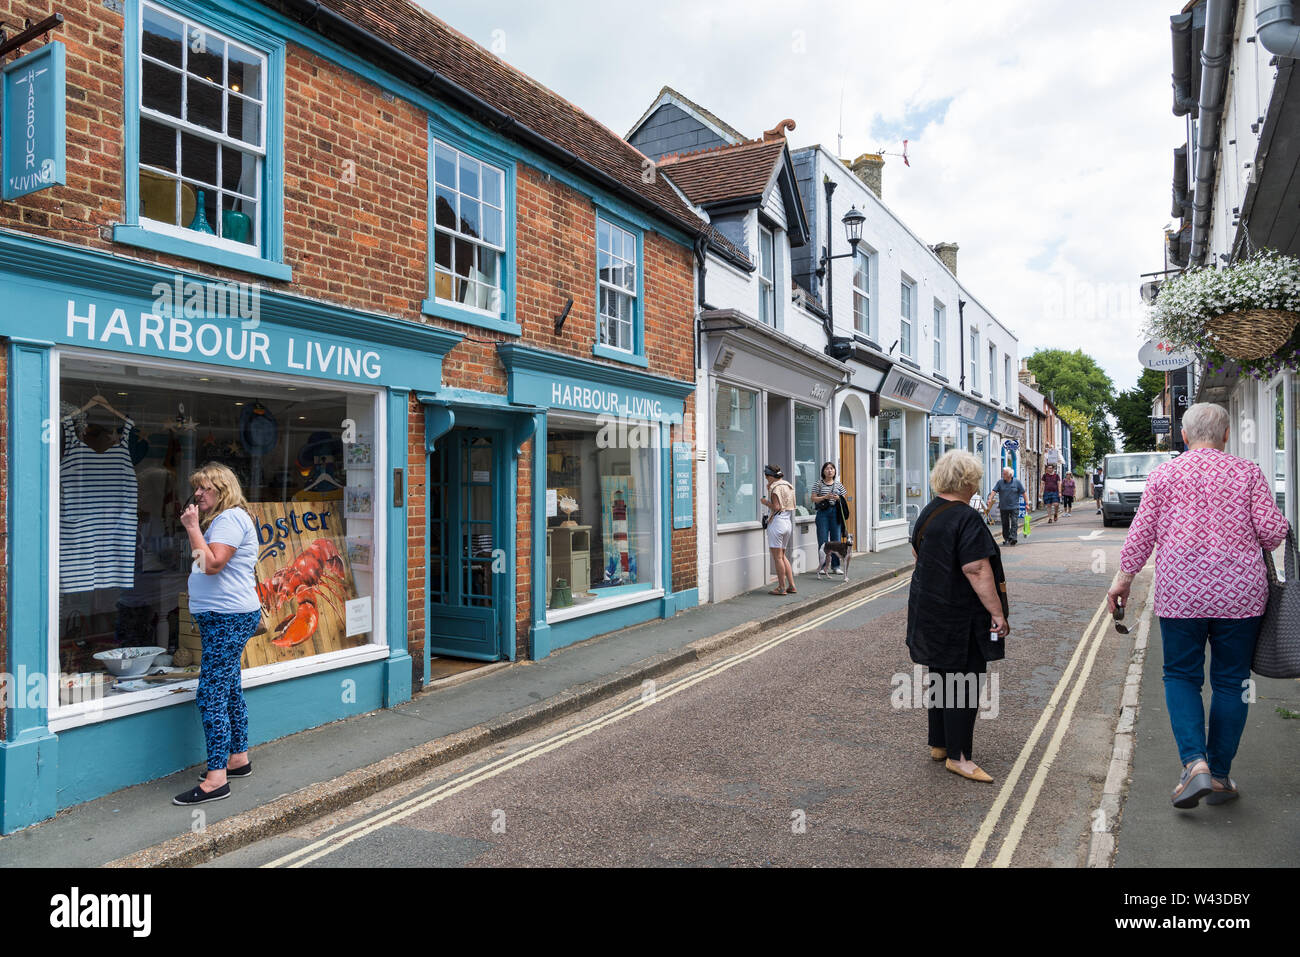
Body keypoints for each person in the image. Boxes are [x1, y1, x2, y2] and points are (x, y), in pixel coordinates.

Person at [1107, 403, 1288, 809]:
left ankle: (1194, 764)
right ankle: (1219, 774)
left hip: (1180, 595)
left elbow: (1141, 535)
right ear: (1226, 436)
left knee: (1181, 677)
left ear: (1185, 437)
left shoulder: (1164, 475)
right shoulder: (1248, 473)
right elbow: (1274, 534)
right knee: (1232, 681)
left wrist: (1123, 579)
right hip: (1240, 596)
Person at [907, 450, 1010, 784]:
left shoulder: (929, 512)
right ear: (966, 481)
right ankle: (960, 757)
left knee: (940, 676)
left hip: (930, 611)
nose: (977, 485)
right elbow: (976, 569)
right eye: (975, 480)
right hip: (960, 616)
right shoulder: (966, 517)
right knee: (964, 682)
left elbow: (918, 553)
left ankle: (939, 744)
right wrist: (997, 613)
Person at [172, 463, 263, 806]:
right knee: (228, 688)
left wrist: (192, 527)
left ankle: (216, 779)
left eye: (204, 488)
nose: (197, 494)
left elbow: (211, 565)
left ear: (222, 489)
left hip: (229, 617)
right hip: (222, 617)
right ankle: (237, 759)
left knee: (210, 695)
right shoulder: (225, 520)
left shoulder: (230, 519)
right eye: (196, 488)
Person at [761, 464, 798, 595]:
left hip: (777, 523)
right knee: (782, 556)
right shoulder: (788, 485)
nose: (766, 480)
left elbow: (776, 507)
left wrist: (765, 502)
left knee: (777, 558)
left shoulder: (774, 488)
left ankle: (782, 587)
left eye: (767, 477)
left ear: (770, 476)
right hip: (788, 522)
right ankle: (792, 585)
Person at [811, 461, 848, 575]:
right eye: (827, 468)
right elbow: (813, 498)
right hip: (822, 513)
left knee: (836, 540)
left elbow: (844, 499)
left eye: (832, 468)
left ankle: (836, 566)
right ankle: (822, 567)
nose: (830, 470)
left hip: (835, 513)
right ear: (823, 471)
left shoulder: (838, 484)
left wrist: (838, 498)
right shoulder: (818, 484)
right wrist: (825, 497)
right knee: (823, 541)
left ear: (835, 471)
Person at [985, 467, 1028, 546]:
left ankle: (1013, 538)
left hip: (1014, 507)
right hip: (1003, 507)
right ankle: (1007, 538)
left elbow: (1023, 492)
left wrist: (1027, 504)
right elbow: (994, 491)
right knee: (1005, 524)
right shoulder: (1000, 482)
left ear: (1010, 475)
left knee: (1014, 522)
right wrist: (990, 499)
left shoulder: (1017, 482)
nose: (1003, 475)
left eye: (1004, 474)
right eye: (1003, 473)